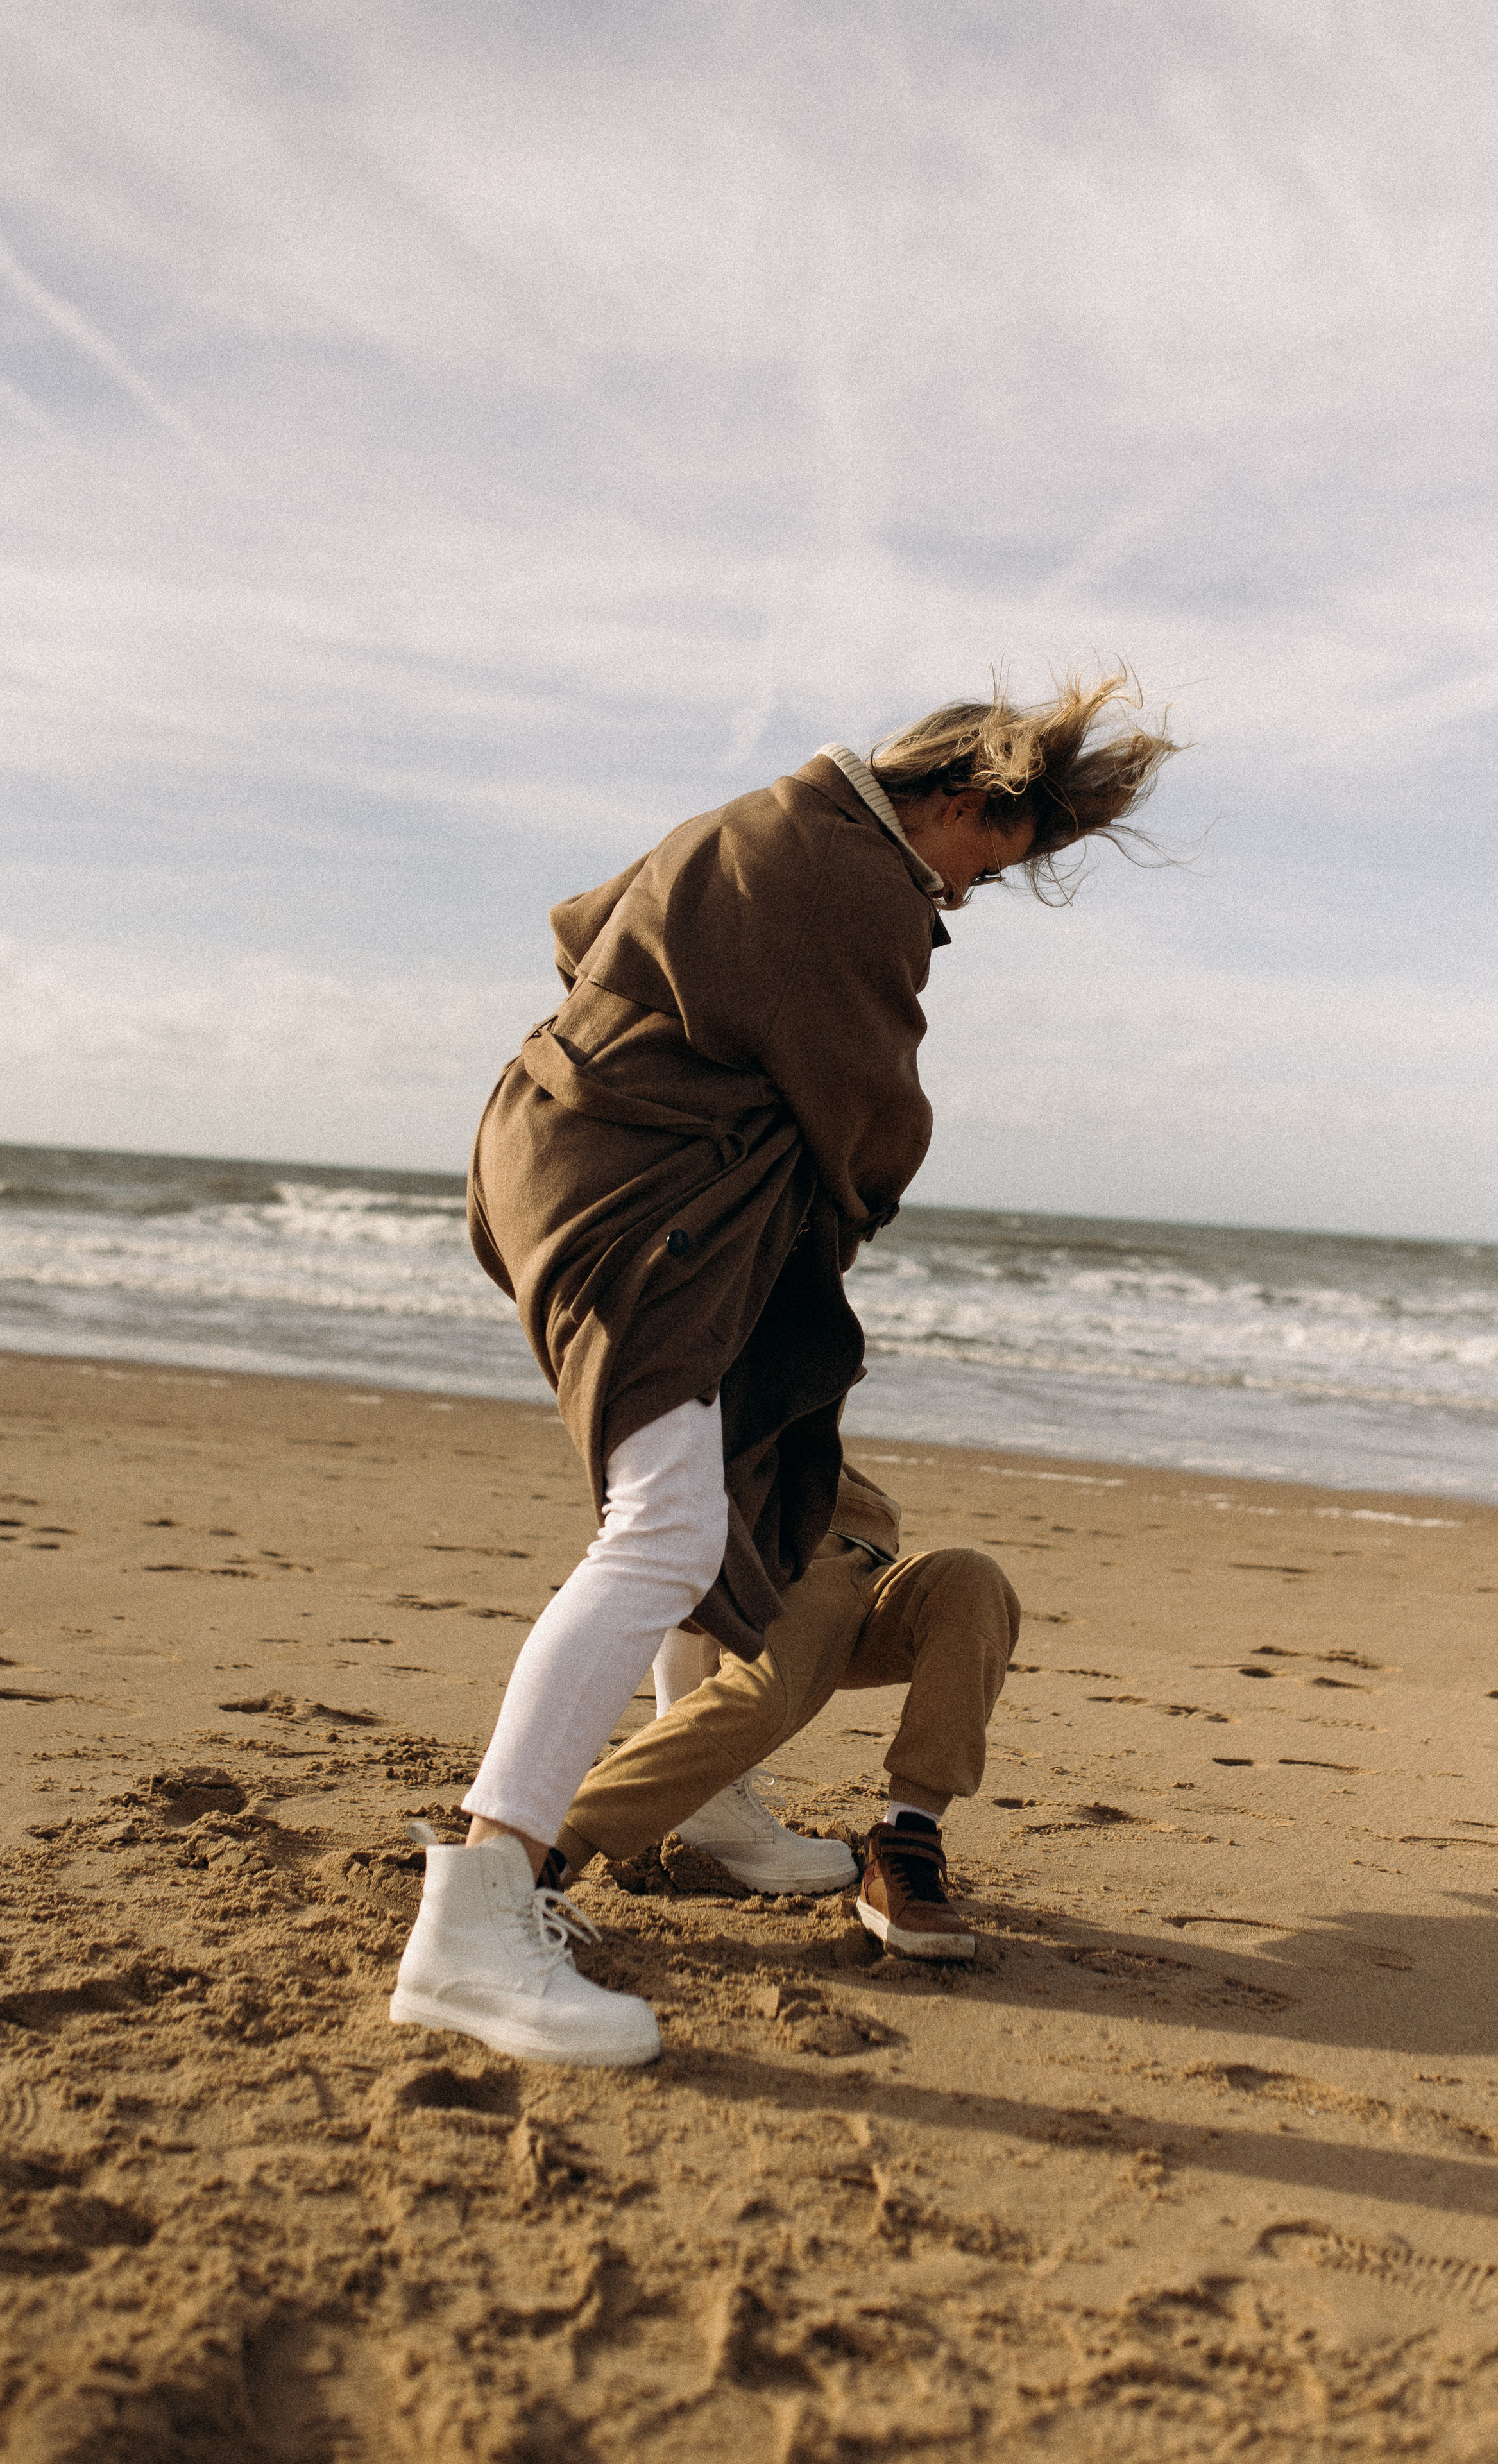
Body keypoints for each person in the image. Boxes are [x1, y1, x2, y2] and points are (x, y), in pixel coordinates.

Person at [391, 675, 1176, 2066]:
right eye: (985, 866)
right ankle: (484, 1902)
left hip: (566, 1153)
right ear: (959, 802)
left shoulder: (757, 826)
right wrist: (850, 1192)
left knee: (726, 1479)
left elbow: (584, 926)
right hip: (635, 1195)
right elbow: (873, 1108)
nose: (965, 902)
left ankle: (704, 1812)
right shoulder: (857, 877)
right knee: (668, 1525)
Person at [554, 1460, 1018, 1959]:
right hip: (790, 1564)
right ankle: (549, 1847)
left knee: (973, 1582)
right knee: (763, 1696)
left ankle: (907, 1844)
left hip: (871, 1557)